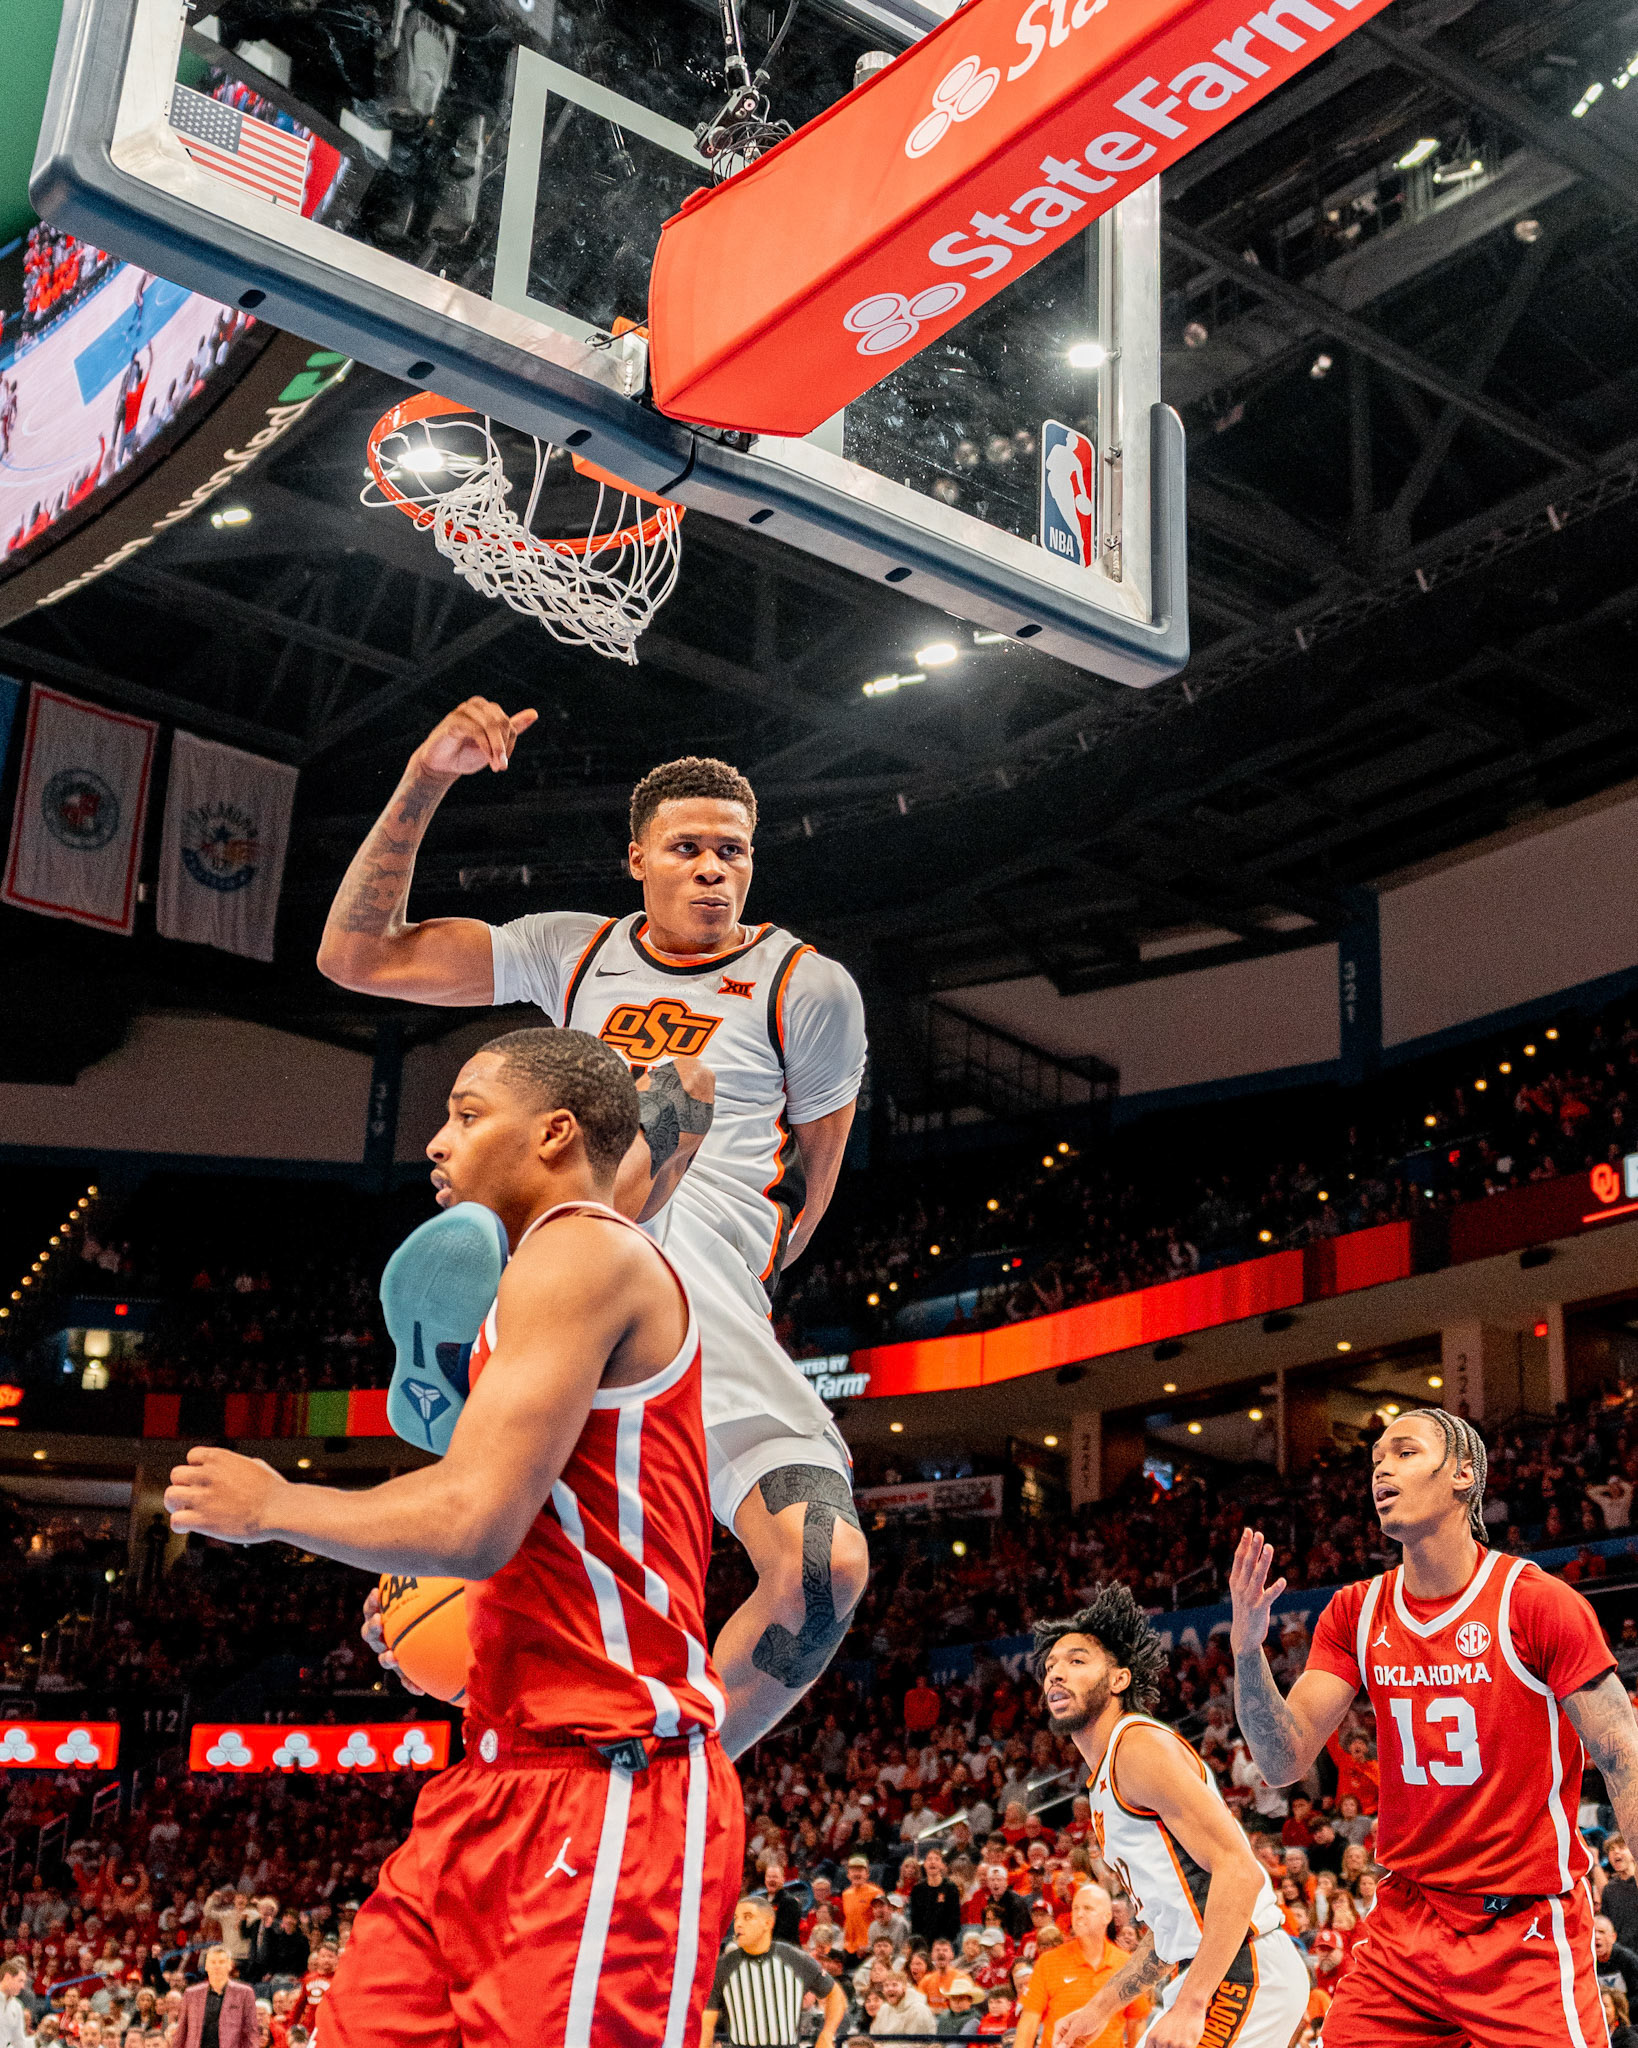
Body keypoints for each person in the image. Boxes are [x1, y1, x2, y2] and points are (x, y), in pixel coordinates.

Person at [164, 1029, 743, 2045]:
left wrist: (276, 1503)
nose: (436, 1140)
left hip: (610, 1780)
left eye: (468, 1112)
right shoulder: (573, 1247)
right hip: (491, 1772)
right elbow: (684, 1087)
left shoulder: (584, 1251)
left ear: (555, 1132)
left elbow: (473, 1522)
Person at [317, 708, 870, 1755]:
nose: (714, 871)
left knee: (825, 1569)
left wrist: (744, 1274)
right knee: (678, 1084)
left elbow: (816, 1171)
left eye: (732, 852)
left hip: (705, 1293)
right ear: (637, 858)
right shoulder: (573, 948)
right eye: (688, 849)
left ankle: (655, 1762)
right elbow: (356, 954)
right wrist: (426, 776)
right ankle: (530, 1296)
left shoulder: (810, 985)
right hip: (584, 1226)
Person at [1230, 1405, 1638, 2048]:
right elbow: (1281, 1762)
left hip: (1521, 1931)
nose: (1381, 1469)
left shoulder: (1537, 1603)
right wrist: (1247, 1653)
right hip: (1406, 1925)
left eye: (1405, 1452)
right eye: (1375, 1461)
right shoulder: (1354, 1612)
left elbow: (1622, 1756)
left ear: (1463, 1475)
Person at [1033, 1585, 1307, 2048]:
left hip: (1243, 1970)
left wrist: (1193, 2003)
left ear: (1119, 1680)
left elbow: (1240, 1871)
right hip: (1214, 1970)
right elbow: (1172, 1934)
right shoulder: (1107, 1775)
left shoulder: (1136, 1748)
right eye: (1050, 1667)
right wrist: (1099, 2008)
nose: (1056, 1675)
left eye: (1077, 1661)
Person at [701, 1895, 847, 2048]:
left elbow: (836, 1996)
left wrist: (827, 2034)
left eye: (747, 1917)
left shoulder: (796, 1959)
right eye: (736, 1918)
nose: (738, 1924)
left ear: (768, 1923)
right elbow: (706, 2026)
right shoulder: (723, 1967)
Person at [1011, 1884, 1146, 2048]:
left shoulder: (1126, 1964)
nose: (1079, 1914)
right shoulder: (1048, 1962)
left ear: (1107, 1916)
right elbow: (1029, 2020)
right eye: (1075, 1908)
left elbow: (1136, 2022)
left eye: (1088, 1908)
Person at [175, 1949, 256, 2048]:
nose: (217, 1966)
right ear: (206, 1966)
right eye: (212, 1962)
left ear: (230, 1965)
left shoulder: (244, 1993)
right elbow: (181, 2031)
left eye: (221, 1962)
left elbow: (250, 2032)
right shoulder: (191, 1994)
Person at [910, 1851, 962, 1949]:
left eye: (936, 1859)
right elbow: (915, 1919)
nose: (932, 1862)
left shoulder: (950, 1888)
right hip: (923, 1941)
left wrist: (944, 1941)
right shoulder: (918, 1889)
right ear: (924, 1864)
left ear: (942, 1865)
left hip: (945, 1941)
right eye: (929, 1859)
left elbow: (954, 1919)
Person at [0, 1961, 27, 2048]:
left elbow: (19, 2040)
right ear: (7, 1977)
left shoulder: (17, 2006)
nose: (22, 1986)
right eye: (20, 1981)